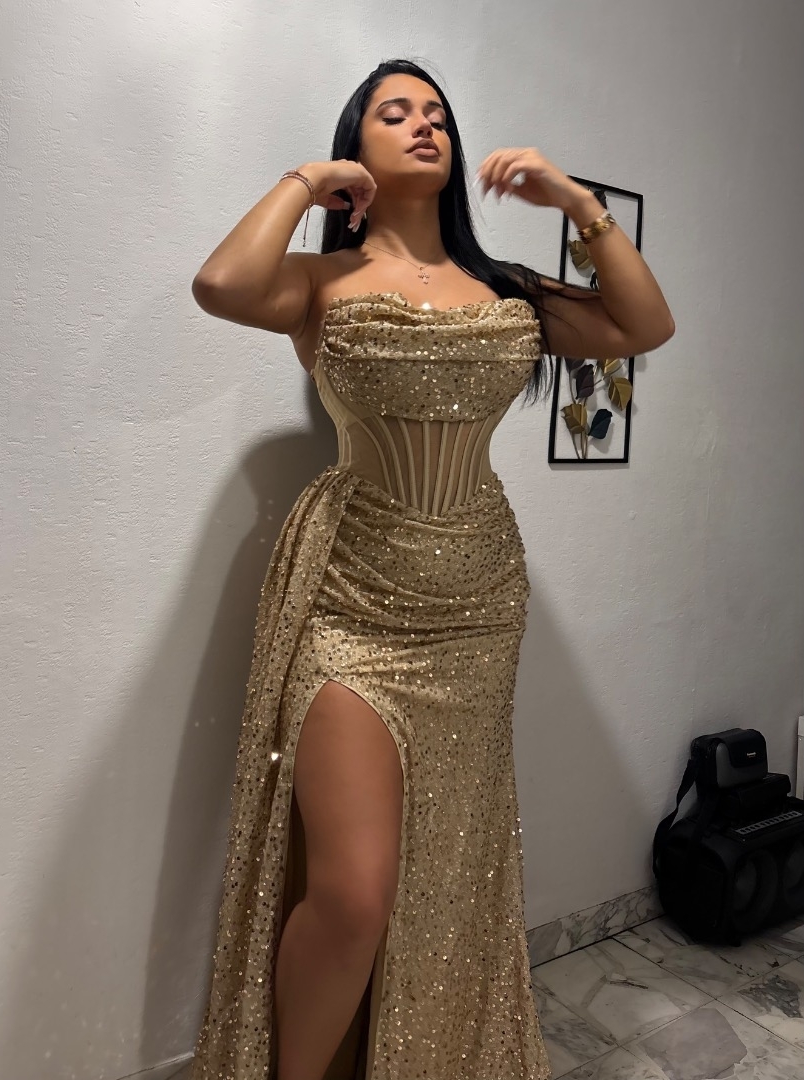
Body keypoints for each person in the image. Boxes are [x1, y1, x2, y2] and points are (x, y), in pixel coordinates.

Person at [188, 58, 674, 1080]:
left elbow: (644, 326)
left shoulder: (506, 289)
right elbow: (221, 285)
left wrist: (574, 203)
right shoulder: (319, 282)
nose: (424, 124)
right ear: (356, 142)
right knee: (353, 891)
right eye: (394, 111)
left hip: (480, 602)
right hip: (352, 597)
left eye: (438, 114)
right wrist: (303, 184)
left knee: (444, 868)